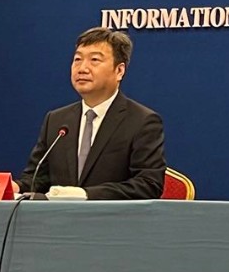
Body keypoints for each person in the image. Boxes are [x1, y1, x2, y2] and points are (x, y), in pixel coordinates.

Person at [18, 28, 166, 198]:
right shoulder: (56, 120)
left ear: (119, 71)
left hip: (111, 215)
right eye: (77, 59)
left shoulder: (142, 121)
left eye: (94, 60)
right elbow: (37, 178)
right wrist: (14, 187)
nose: (82, 68)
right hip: (59, 215)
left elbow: (148, 184)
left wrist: (85, 194)